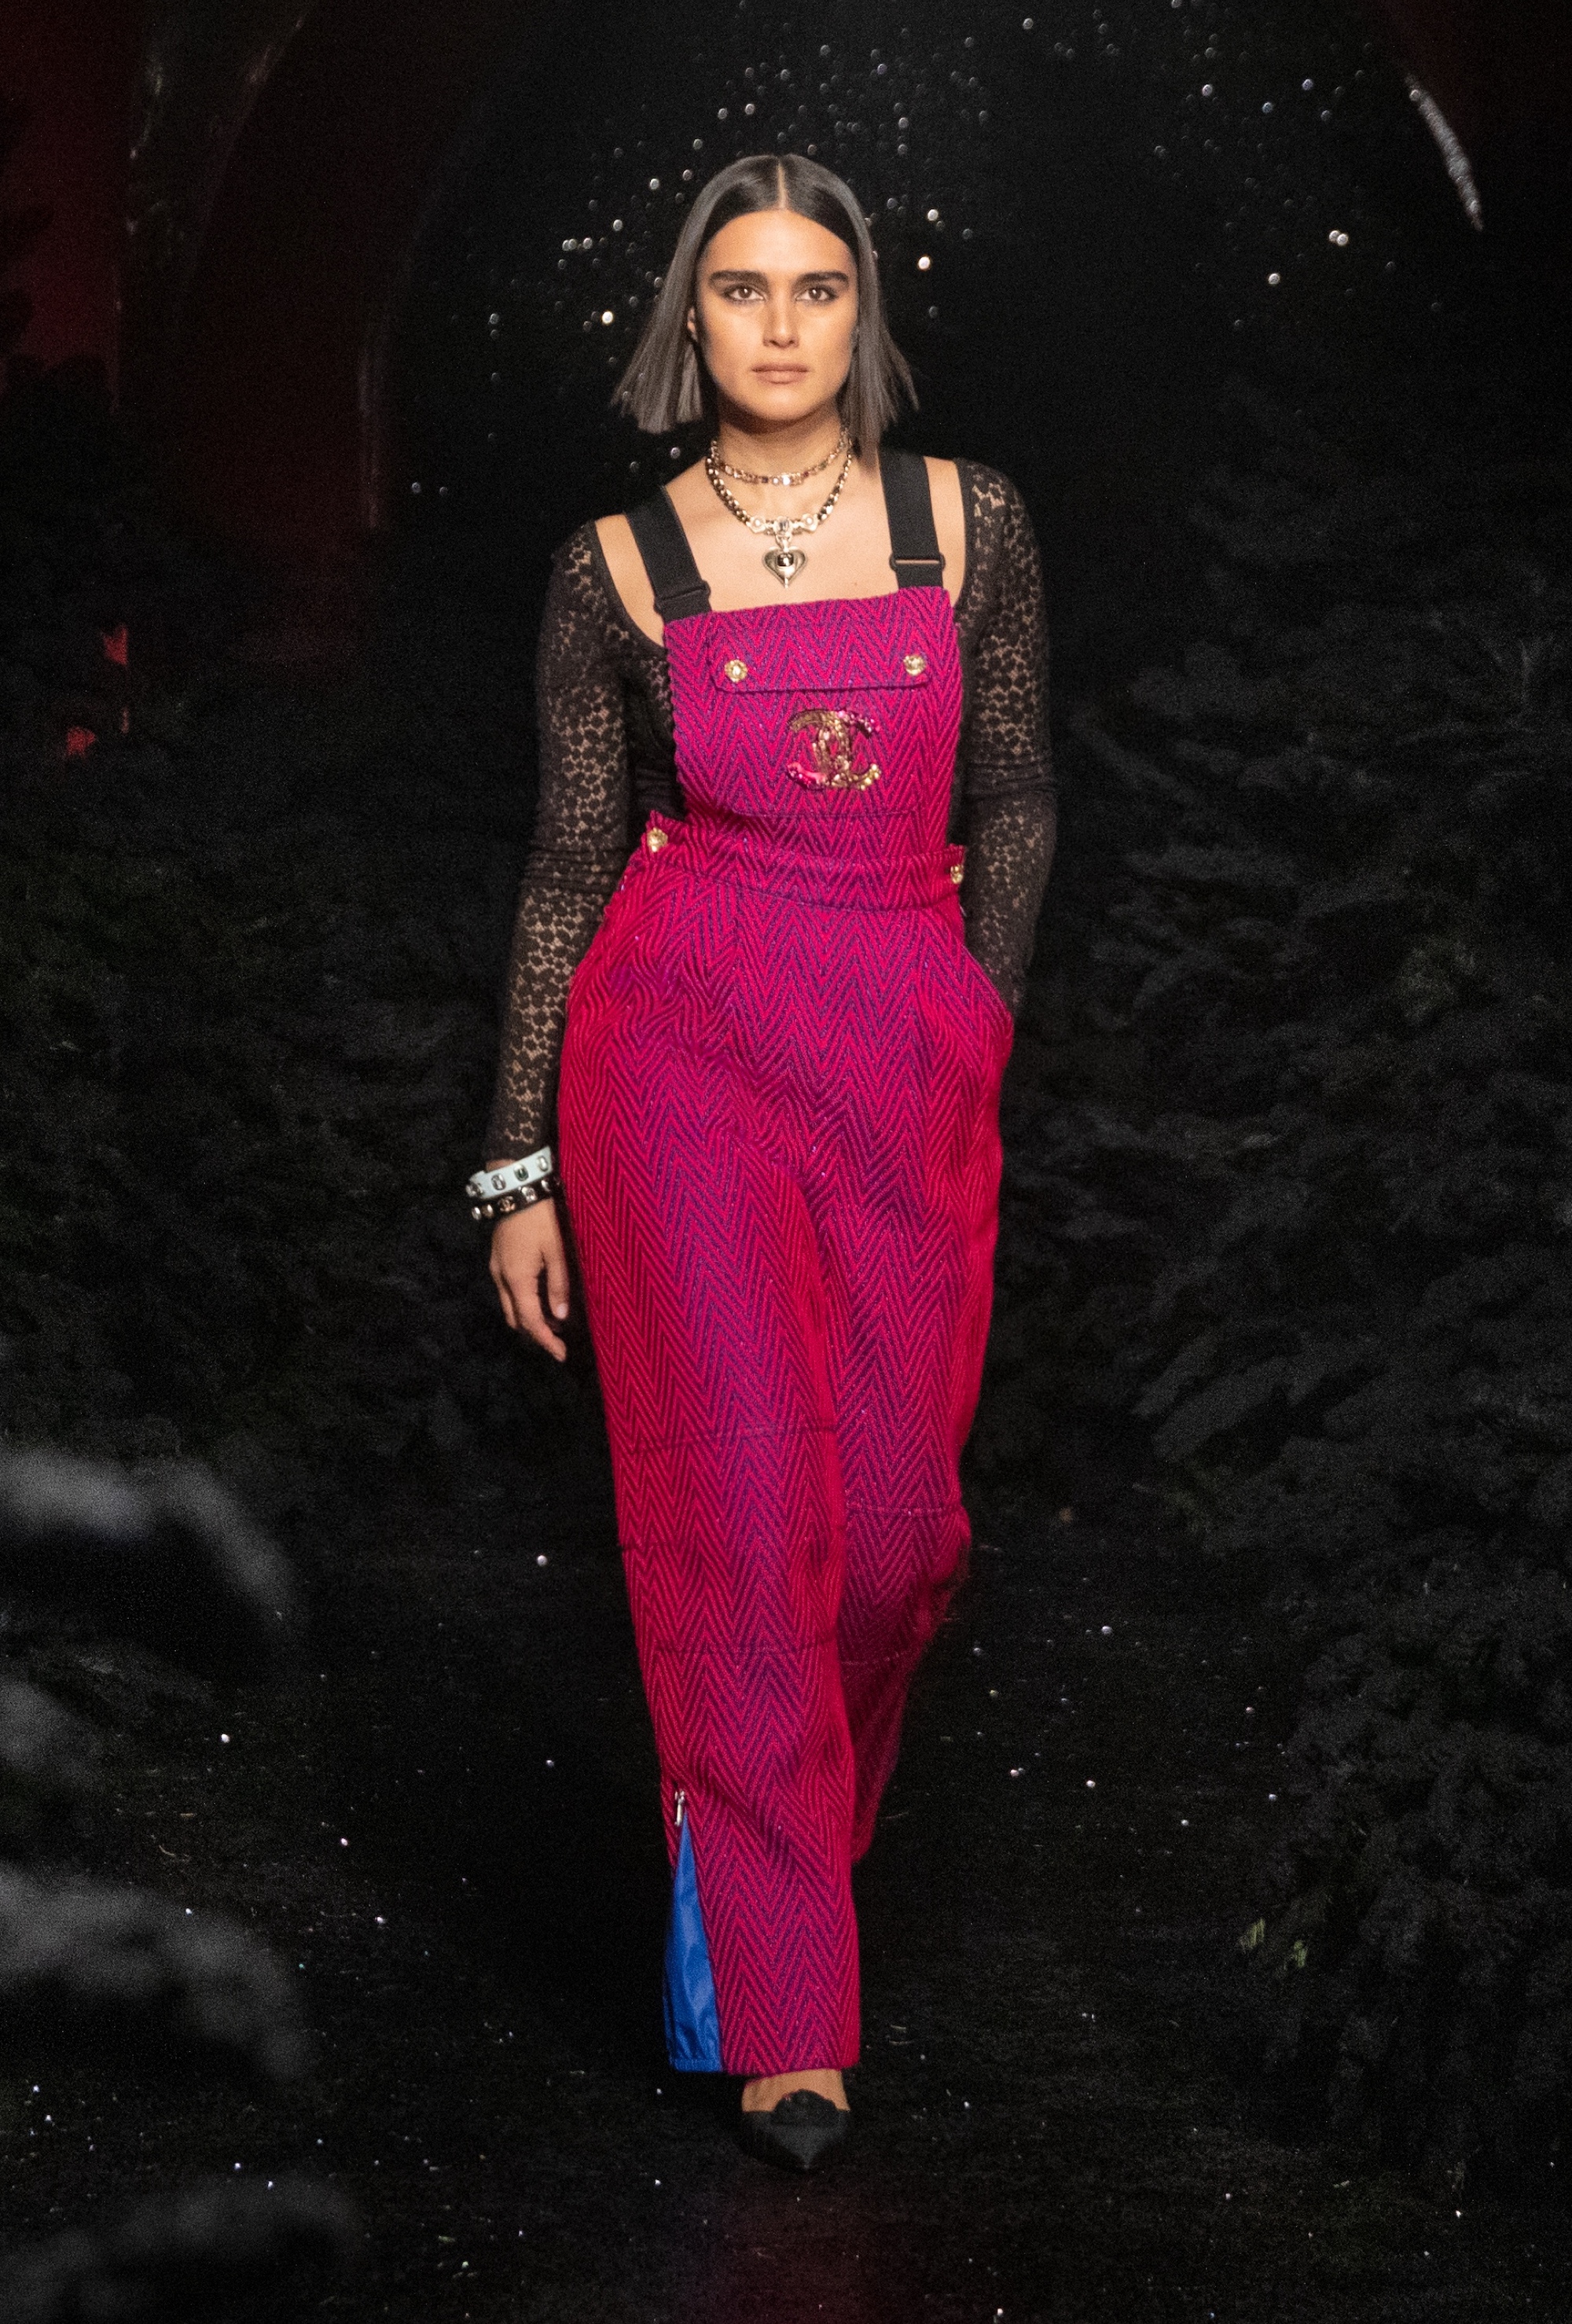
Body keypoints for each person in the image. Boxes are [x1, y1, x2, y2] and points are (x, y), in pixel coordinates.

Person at [471, 152, 1055, 2172]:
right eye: (741, 288)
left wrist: (972, 1008)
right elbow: (568, 863)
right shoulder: (613, 568)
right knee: (736, 1526)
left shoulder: (966, 521)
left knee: (893, 1541)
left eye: (816, 286)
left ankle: (764, 1846)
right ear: (690, 317)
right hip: (680, 1045)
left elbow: (1019, 791)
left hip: (899, 1036)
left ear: (859, 311)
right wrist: (514, 1165)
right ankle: (784, 2012)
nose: (780, 324)